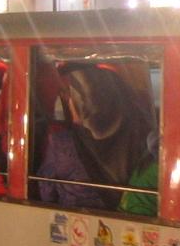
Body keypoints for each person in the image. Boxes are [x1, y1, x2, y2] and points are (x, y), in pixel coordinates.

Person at [37, 65, 153, 209]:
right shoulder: (145, 136)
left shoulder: (62, 145)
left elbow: (45, 192)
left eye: (70, 93)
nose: (69, 100)